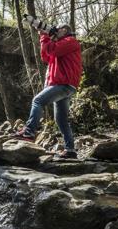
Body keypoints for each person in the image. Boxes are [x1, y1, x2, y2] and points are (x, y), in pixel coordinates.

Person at [14, 24, 82, 159]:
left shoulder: (70, 41)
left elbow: (52, 51)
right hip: (63, 84)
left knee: (37, 101)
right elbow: (46, 56)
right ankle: (70, 150)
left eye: (58, 29)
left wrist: (46, 35)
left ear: (65, 30)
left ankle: (29, 132)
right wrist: (43, 36)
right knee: (61, 120)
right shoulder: (59, 45)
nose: (56, 31)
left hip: (63, 83)